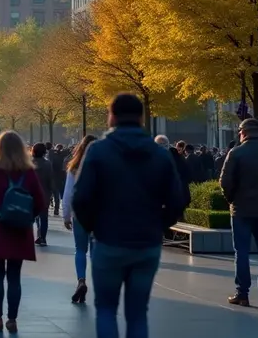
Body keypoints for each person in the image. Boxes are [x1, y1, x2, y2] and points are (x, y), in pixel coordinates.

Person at [72, 94, 185, 338]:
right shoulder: (160, 154)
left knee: (106, 310)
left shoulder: (98, 151)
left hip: (108, 240)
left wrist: (95, 227)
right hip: (146, 243)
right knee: (137, 313)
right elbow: (177, 201)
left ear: (111, 116)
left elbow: (80, 198)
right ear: (142, 118)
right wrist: (158, 226)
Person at [0, 131, 45, 334]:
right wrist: (27, 215)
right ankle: (12, 320)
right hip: (20, 230)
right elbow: (39, 201)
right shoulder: (28, 173)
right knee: (15, 276)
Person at [219, 117, 258, 307]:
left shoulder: (236, 153)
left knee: (242, 252)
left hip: (241, 209)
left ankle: (242, 294)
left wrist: (232, 199)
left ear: (243, 132)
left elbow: (225, 182)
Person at [61, 134, 97, 304]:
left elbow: (68, 193)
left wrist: (66, 215)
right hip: (99, 214)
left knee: (80, 249)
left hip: (79, 213)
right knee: (97, 249)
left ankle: (81, 280)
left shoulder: (74, 167)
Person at [31, 143, 54, 247]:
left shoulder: (29, 163)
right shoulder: (48, 164)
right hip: (44, 194)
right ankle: (43, 237)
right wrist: (52, 193)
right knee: (44, 217)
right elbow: (50, 181)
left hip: (31, 195)